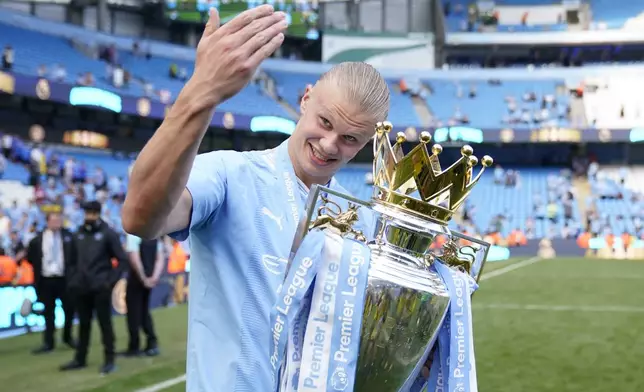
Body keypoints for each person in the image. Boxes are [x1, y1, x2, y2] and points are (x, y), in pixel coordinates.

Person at [122, 5, 389, 391]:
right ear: (305, 99)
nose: (329, 144)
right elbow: (140, 217)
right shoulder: (230, 174)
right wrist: (202, 92)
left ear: (367, 143)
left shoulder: (360, 220)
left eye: (350, 139)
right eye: (325, 122)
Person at [60, 201, 129, 375]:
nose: (88, 216)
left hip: (100, 287)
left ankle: (110, 359)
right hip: (81, 287)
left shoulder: (108, 234)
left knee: (105, 324)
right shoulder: (78, 235)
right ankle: (80, 358)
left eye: (91, 212)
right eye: (86, 212)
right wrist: (73, 280)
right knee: (83, 325)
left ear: (98, 214)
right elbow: (70, 261)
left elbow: (122, 259)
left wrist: (109, 282)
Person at [26, 212, 77, 354]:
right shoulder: (37, 240)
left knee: (69, 309)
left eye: (58, 220)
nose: (56, 223)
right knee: (48, 312)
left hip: (64, 279)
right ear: (47, 222)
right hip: (46, 279)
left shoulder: (68, 237)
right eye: (54, 221)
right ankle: (49, 342)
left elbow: (74, 257)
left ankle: (68, 336)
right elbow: (31, 258)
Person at [119, 233, 166, 357]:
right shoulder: (155, 236)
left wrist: (143, 278)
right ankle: (152, 342)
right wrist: (154, 277)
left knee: (133, 312)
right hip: (150, 277)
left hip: (137, 279)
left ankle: (134, 346)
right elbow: (160, 258)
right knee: (144, 311)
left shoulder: (134, 236)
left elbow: (135, 258)